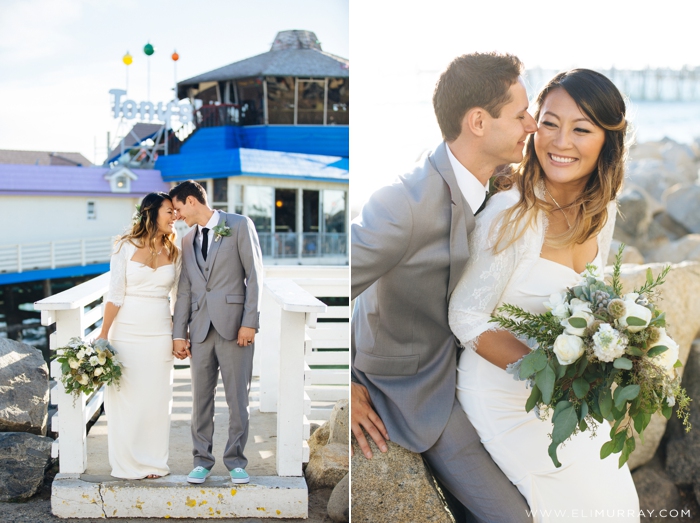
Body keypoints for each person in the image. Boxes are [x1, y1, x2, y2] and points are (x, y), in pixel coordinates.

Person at [351, 52, 537, 522]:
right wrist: (346, 385)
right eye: (520, 115)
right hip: (416, 385)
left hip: (481, 369)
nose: (532, 124)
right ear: (478, 121)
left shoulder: (494, 181)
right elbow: (339, 283)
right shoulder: (402, 204)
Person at [449, 69, 640, 522]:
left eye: (581, 129)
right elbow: (466, 317)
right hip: (503, 395)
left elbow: (591, 300)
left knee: (619, 505)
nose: (561, 142)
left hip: (565, 401)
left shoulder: (602, 209)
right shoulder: (512, 213)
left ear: (607, 141)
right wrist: (545, 379)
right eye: (550, 123)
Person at [170, 180, 263, 485]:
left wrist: (250, 322)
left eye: (179, 207)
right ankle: (201, 460)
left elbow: (255, 276)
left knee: (238, 399)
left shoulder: (238, 225)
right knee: (201, 400)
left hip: (235, 328)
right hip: (199, 331)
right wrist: (178, 333)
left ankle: (236, 461)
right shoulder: (186, 241)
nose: (177, 214)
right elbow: (184, 290)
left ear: (192, 201)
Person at [100, 192, 181, 479]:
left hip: (160, 332)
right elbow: (115, 293)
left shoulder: (175, 250)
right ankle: (128, 462)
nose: (175, 216)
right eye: (170, 211)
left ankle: (154, 462)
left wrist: (179, 335)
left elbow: (179, 297)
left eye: (175, 211)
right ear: (152, 213)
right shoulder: (124, 246)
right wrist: (103, 335)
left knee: (157, 399)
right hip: (126, 332)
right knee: (127, 399)